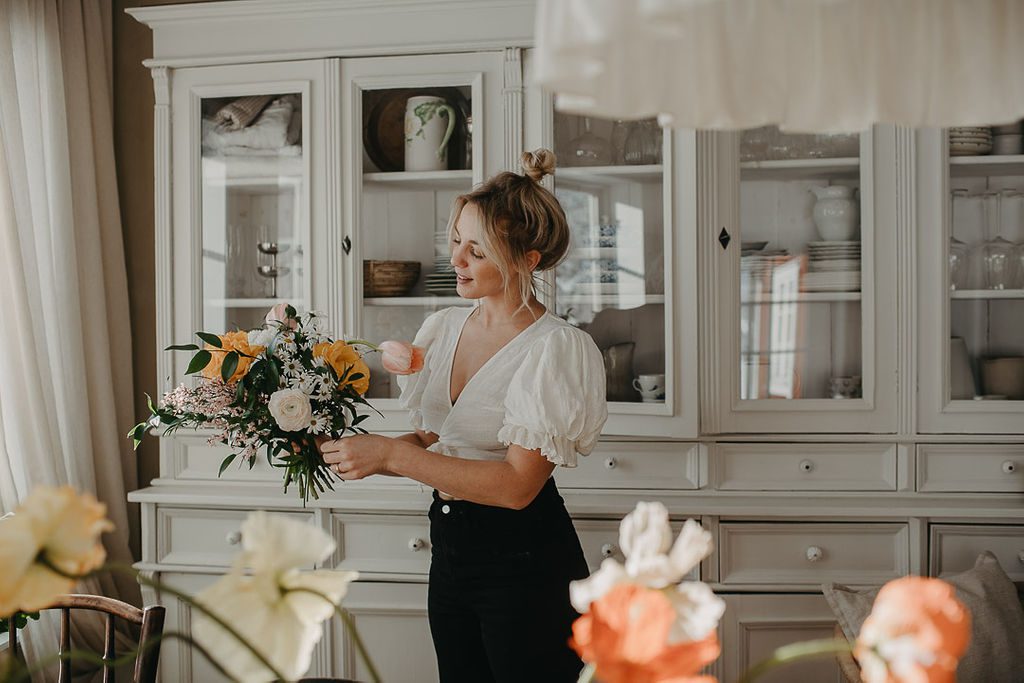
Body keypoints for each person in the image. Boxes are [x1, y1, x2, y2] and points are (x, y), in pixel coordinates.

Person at [319, 149, 608, 683]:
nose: (456, 260)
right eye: (455, 242)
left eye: (477, 250)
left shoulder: (556, 349)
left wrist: (392, 456)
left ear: (529, 259)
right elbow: (434, 437)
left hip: (525, 563)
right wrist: (342, 449)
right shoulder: (445, 327)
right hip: (450, 552)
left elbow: (517, 487)